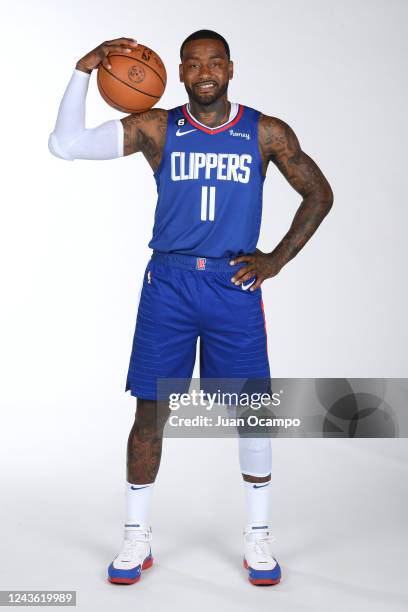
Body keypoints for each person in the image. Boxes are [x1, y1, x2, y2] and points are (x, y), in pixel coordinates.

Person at [48, 29, 333, 586]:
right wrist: (83, 70)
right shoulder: (158, 128)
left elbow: (319, 193)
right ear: (178, 73)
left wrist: (275, 259)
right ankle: (135, 539)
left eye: (215, 62)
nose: (205, 71)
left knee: (250, 413)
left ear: (230, 69)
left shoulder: (266, 132)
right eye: (193, 64)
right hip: (170, 286)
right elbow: (65, 144)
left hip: (232, 288)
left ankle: (258, 539)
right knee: (150, 413)